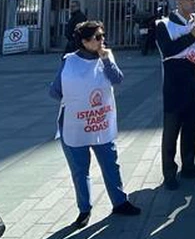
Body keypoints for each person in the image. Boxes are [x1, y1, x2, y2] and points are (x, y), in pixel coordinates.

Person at [50, 20, 141, 228]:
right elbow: (55, 91)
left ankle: (120, 202)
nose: (102, 40)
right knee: (80, 170)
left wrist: (107, 60)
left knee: (111, 163)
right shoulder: (69, 61)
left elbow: (117, 79)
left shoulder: (106, 56)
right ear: (84, 41)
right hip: (75, 124)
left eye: (103, 35)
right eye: (97, 37)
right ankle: (84, 209)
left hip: (100, 122)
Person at [155, 0, 195, 189]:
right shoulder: (164, 25)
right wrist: (191, 36)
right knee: (171, 131)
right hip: (174, 87)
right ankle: (169, 172)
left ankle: (188, 165)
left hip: (194, 86)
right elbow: (168, 51)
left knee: (190, 130)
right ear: (179, 2)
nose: (194, 2)